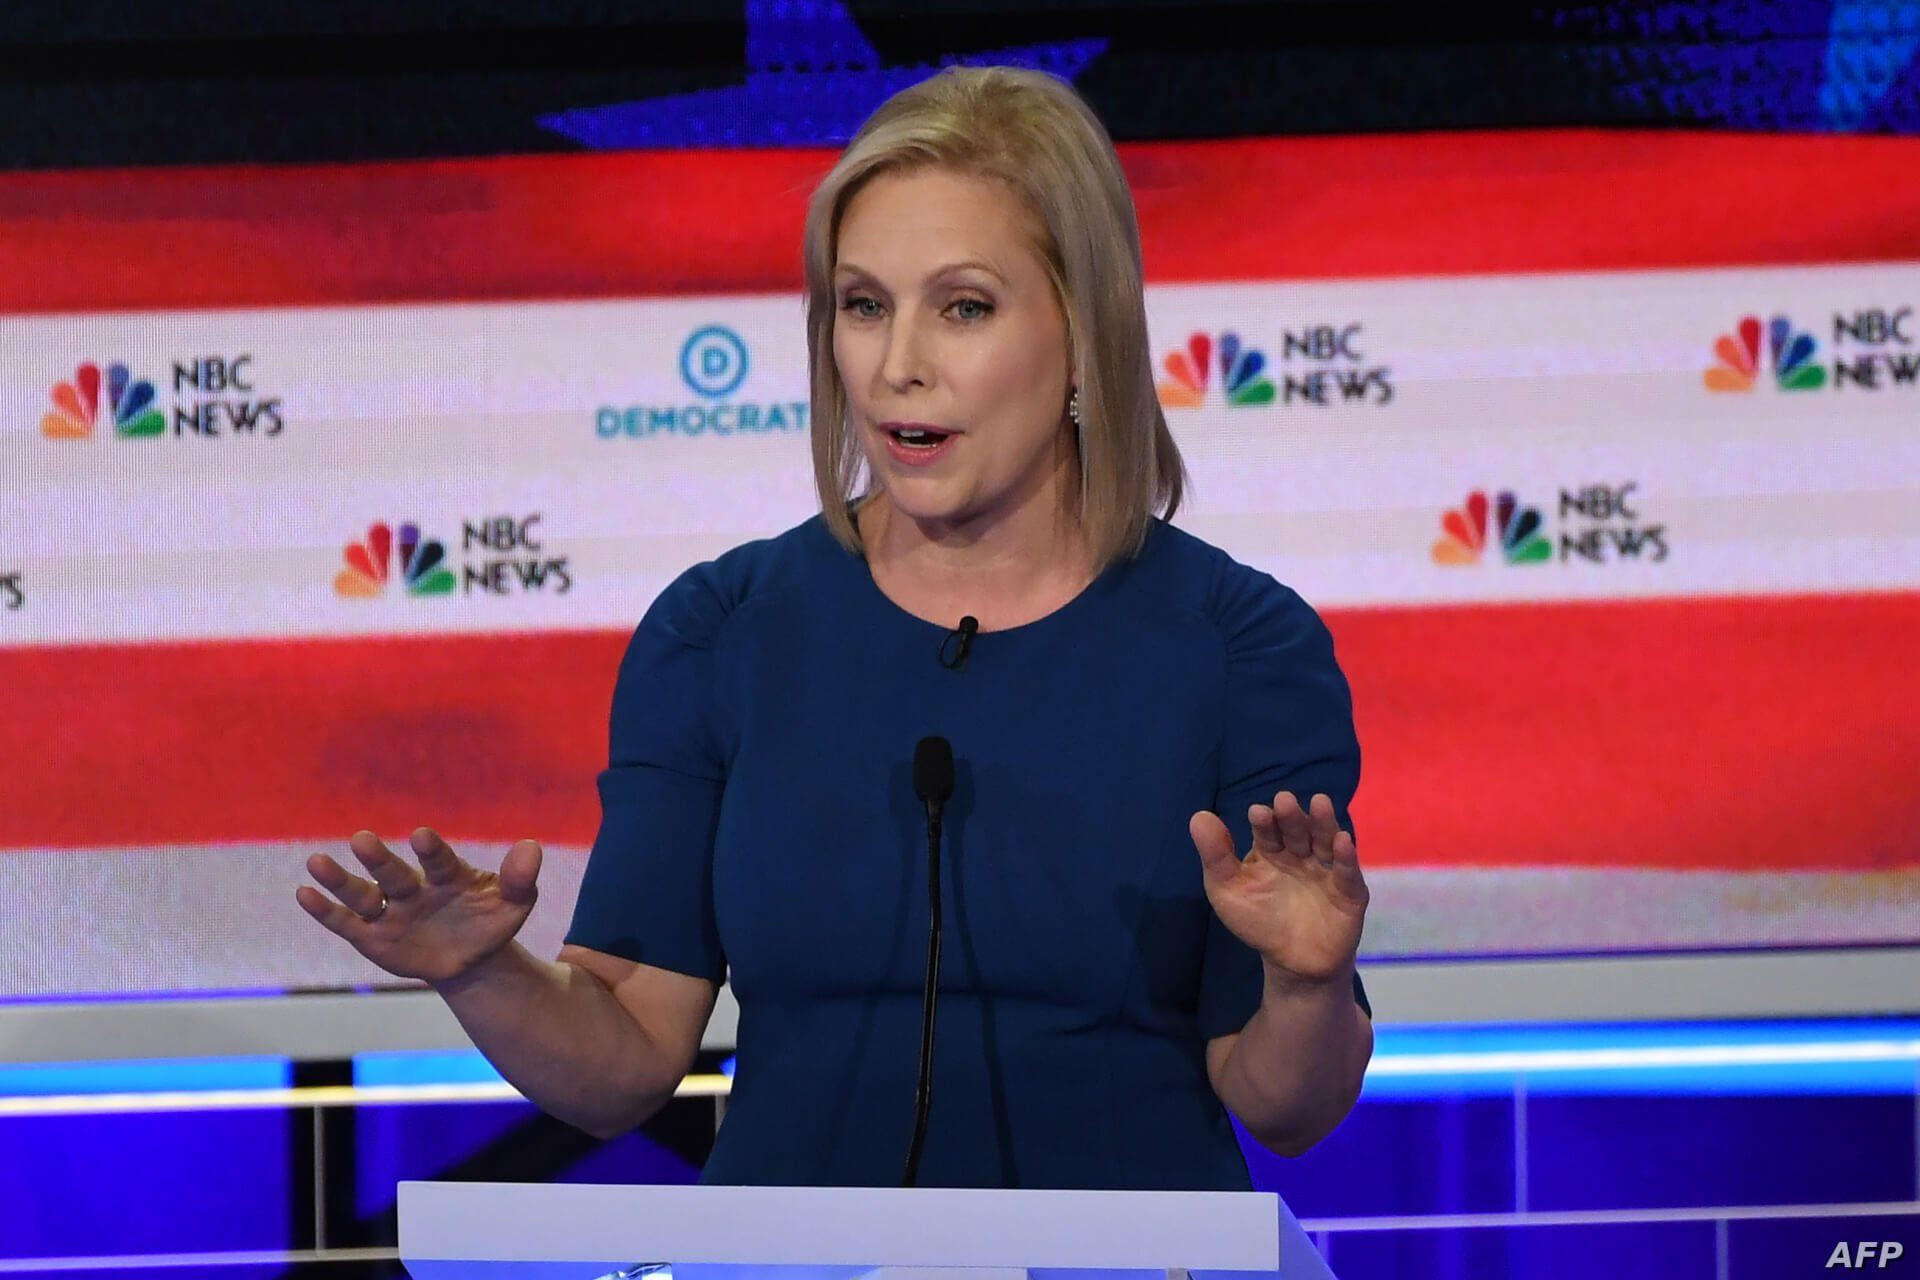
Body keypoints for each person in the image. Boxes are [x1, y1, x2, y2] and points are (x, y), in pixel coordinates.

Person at [297, 64, 1372, 1190]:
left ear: (1081, 332)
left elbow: (1285, 1105)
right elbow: (623, 1060)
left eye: (964, 306)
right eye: (864, 305)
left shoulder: (1240, 646)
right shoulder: (723, 631)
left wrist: (1304, 985)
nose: (899, 362)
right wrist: (484, 973)